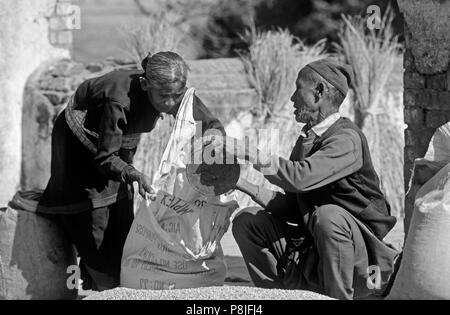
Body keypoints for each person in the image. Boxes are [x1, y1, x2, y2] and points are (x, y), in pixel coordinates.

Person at [208, 59, 400, 299]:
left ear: (318, 92)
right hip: (316, 250)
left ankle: (339, 297)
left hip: (360, 260)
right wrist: (239, 183)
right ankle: (279, 295)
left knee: (329, 216)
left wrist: (245, 151)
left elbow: (298, 178)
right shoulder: (308, 140)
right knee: (247, 221)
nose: (291, 98)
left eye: (298, 88)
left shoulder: (345, 139)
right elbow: (295, 207)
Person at [38, 51, 224, 291]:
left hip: (116, 145)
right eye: (164, 97)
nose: (171, 104)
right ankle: (101, 284)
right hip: (79, 148)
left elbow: (209, 124)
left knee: (122, 217)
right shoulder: (117, 100)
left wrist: (214, 146)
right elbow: (105, 157)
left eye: (176, 96)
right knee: (94, 216)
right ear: (145, 85)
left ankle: (109, 282)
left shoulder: (172, 91)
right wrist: (133, 173)